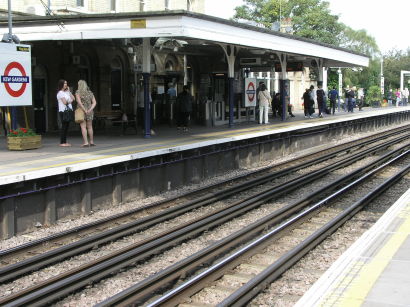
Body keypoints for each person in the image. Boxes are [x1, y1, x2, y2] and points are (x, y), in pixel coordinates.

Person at [75, 80, 96, 147]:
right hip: (90, 111)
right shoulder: (90, 93)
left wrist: (84, 110)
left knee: (83, 127)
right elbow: (94, 102)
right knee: (90, 127)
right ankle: (92, 142)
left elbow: (79, 102)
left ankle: (86, 143)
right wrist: (90, 109)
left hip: (82, 111)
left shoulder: (78, 92)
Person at [56, 79, 74, 147]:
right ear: (61, 85)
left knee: (67, 126)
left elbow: (73, 98)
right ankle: (62, 142)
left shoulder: (66, 92)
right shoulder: (60, 93)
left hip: (68, 111)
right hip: (63, 111)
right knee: (64, 126)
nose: (66, 84)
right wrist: (71, 101)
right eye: (64, 83)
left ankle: (65, 141)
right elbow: (65, 102)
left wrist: (69, 91)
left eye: (66, 83)